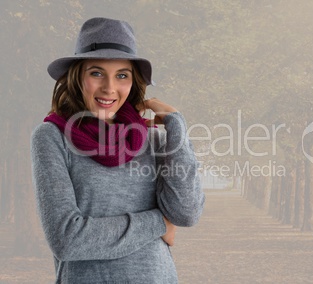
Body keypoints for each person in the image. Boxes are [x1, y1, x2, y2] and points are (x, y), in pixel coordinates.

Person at [30, 17, 205, 283]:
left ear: (133, 82)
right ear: (78, 76)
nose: (109, 88)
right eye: (96, 73)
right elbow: (67, 239)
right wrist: (158, 223)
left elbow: (186, 213)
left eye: (122, 75)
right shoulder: (53, 136)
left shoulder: (154, 139)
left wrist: (176, 125)